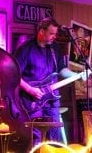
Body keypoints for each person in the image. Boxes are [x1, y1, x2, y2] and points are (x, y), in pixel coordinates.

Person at [14, 17, 85, 145]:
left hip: (52, 98)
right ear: (41, 31)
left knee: (55, 134)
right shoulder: (26, 48)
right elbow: (14, 74)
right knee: (36, 135)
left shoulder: (55, 48)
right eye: (51, 33)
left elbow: (61, 69)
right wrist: (30, 89)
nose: (54, 37)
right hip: (32, 98)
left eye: (55, 33)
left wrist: (77, 75)